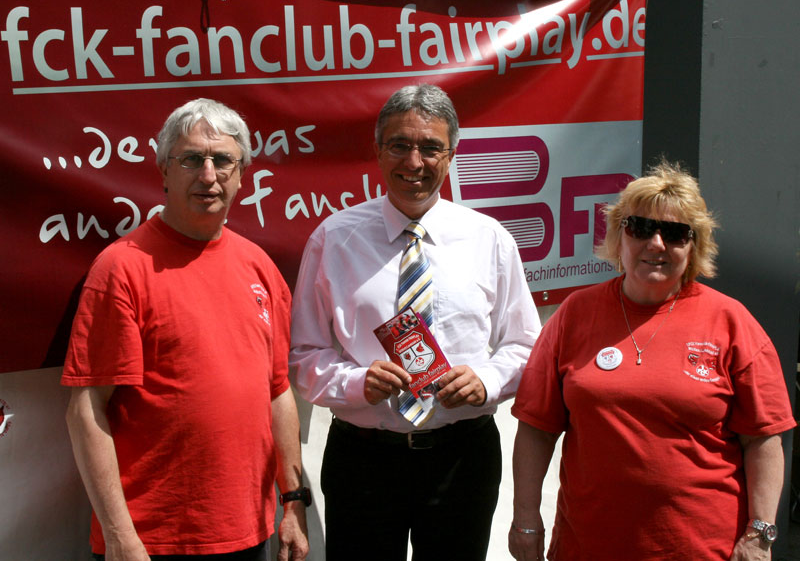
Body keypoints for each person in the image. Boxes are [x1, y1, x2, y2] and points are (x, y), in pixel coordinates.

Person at [289, 83, 541, 560]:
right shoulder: (332, 239)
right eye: (400, 145)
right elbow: (303, 355)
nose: (414, 162)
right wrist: (354, 382)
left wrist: (486, 380)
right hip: (363, 459)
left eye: (430, 147)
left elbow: (526, 345)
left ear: (452, 154)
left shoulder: (489, 239)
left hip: (461, 457)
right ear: (379, 150)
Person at [62, 98, 310, 561]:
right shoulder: (121, 269)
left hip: (250, 533)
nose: (208, 175)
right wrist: (120, 535)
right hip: (153, 541)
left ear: (242, 175)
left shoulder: (259, 266)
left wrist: (292, 502)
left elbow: (277, 393)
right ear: (163, 171)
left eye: (223, 161)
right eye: (192, 159)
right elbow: (87, 409)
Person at [509, 161, 795, 561]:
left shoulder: (731, 322)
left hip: (702, 549)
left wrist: (760, 534)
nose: (656, 244)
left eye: (676, 233)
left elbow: (764, 438)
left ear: (694, 245)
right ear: (618, 235)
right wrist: (526, 520)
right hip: (588, 546)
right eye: (640, 228)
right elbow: (537, 429)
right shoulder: (575, 314)